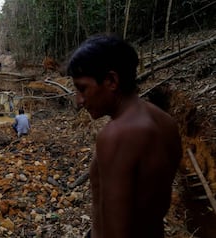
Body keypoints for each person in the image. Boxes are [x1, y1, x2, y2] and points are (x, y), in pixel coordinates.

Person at [67, 34, 182, 238]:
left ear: (111, 80)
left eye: (82, 88)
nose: (79, 101)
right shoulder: (165, 122)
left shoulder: (117, 135)